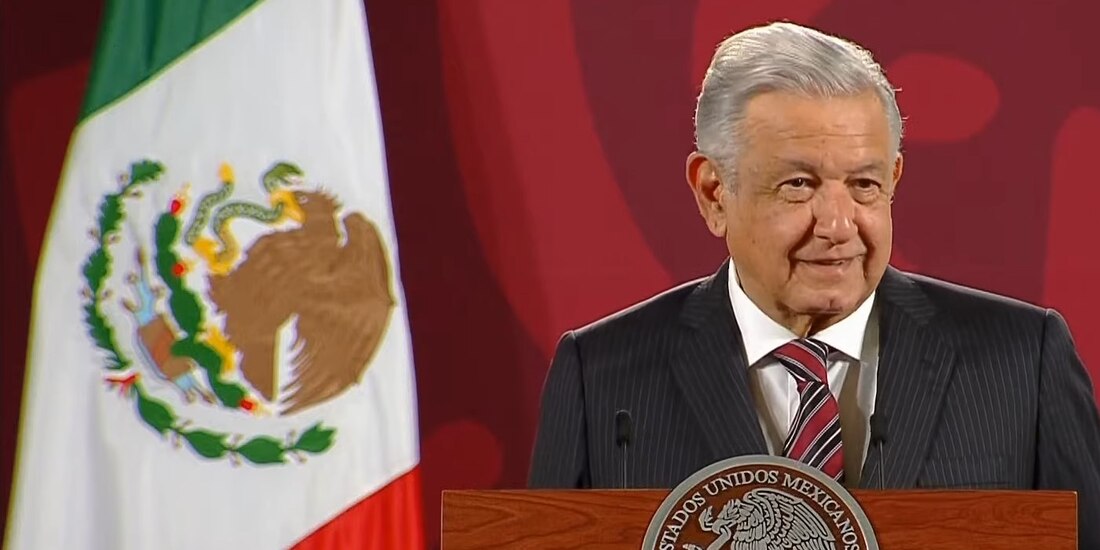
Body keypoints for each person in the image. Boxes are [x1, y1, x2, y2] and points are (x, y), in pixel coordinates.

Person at [527, 21, 1100, 549]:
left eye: (864, 184)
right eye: (798, 184)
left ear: (894, 179)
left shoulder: (1024, 362)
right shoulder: (601, 377)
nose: (837, 225)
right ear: (713, 192)